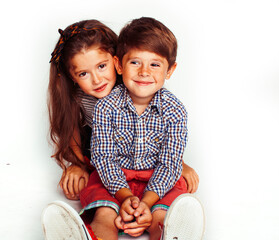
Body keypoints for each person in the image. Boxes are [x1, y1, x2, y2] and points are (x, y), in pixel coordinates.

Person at [76, 17, 204, 240]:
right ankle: (89, 236)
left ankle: (171, 235)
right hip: (114, 180)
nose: (144, 72)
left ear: (170, 70)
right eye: (135, 62)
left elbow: (170, 162)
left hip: (158, 182)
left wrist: (146, 203)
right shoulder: (106, 107)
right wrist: (125, 197)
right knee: (105, 213)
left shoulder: (174, 110)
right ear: (119, 65)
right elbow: (104, 157)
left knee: (162, 217)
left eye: (155, 64)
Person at [47, 19, 199, 203]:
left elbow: (161, 132)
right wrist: (77, 165)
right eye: (83, 74)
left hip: (144, 152)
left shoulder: (136, 86)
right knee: (91, 188)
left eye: (102, 66)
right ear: (72, 77)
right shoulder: (78, 96)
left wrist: (179, 164)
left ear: (116, 61)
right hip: (101, 152)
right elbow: (71, 128)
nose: (97, 80)